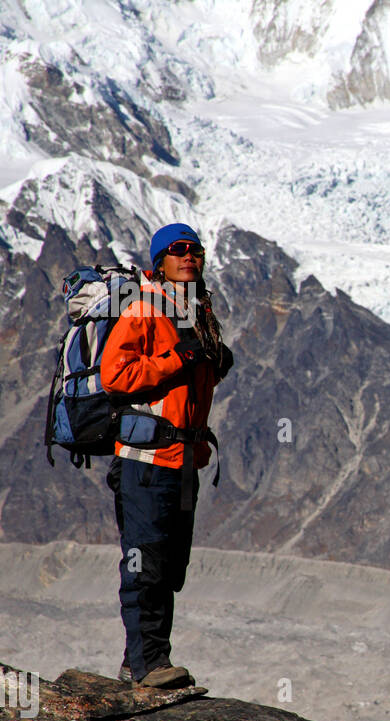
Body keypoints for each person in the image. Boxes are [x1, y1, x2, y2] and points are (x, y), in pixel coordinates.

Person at [100, 223, 232, 688]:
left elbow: (192, 385)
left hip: (183, 461)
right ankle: (148, 664)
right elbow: (116, 376)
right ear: (160, 260)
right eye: (178, 250)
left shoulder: (198, 311)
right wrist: (179, 358)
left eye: (195, 249)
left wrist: (212, 362)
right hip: (146, 461)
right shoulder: (145, 306)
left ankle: (141, 660)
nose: (189, 256)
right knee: (145, 560)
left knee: (170, 564)